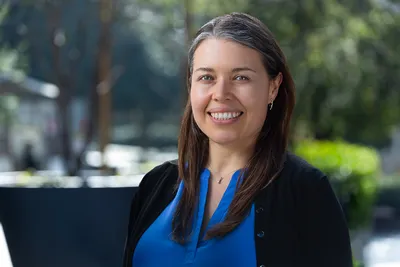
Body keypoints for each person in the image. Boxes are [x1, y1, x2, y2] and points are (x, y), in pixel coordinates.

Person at [123, 12, 353, 267]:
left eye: (240, 77)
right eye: (207, 77)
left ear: (273, 87)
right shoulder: (156, 185)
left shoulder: (305, 191)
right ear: (191, 85)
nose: (221, 94)